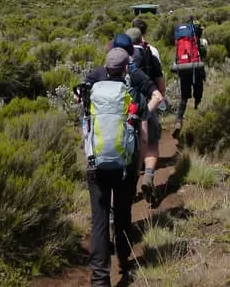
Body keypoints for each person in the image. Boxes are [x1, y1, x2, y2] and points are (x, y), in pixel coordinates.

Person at [76, 48, 164, 286]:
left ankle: (100, 278)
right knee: (123, 213)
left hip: (96, 165)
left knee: (100, 221)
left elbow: (85, 125)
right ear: (126, 68)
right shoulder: (132, 94)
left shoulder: (92, 93)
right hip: (125, 165)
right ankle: (124, 257)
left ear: (106, 68)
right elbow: (144, 126)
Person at [124, 26, 163, 203]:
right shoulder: (151, 55)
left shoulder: (121, 59)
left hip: (126, 109)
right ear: (142, 39)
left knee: (129, 150)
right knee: (151, 144)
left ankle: (130, 189)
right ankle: (148, 176)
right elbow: (160, 86)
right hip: (148, 106)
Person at [173, 22, 208, 138]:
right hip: (197, 69)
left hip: (184, 69)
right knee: (198, 96)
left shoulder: (181, 42)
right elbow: (204, 56)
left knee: (184, 98)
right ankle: (197, 119)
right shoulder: (202, 42)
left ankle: (178, 121)